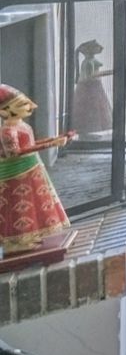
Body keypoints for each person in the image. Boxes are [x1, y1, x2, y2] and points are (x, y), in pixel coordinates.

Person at [0, 84, 77, 252]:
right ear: (5, 111)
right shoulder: (8, 131)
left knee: (35, 202)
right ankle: (18, 241)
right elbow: (15, 152)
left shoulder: (21, 125)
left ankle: (31, 234)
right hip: (17, 172)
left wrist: (54, 140)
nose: (29, 107)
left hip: (31, 168)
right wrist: (51, 144)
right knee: (19, 203)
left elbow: (30, 144)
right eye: (22, 105)